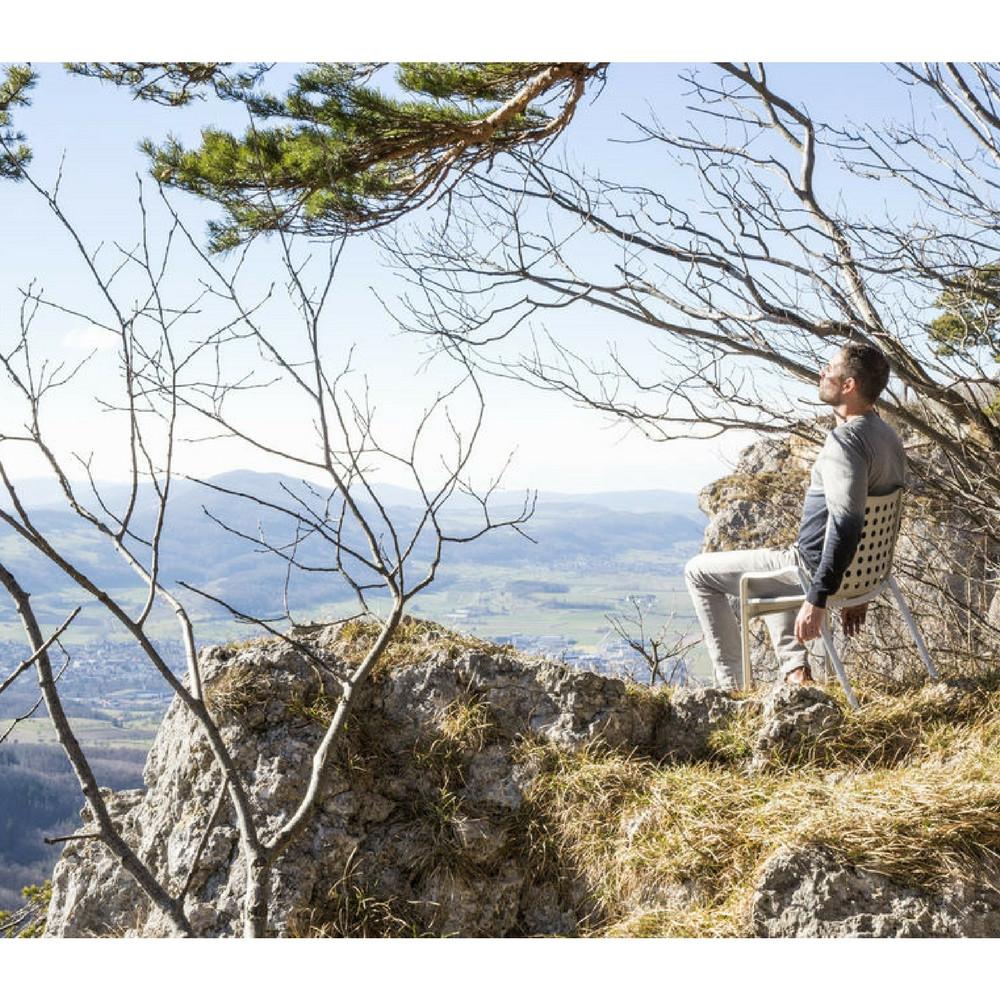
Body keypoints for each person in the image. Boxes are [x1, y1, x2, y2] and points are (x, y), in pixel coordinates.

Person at [684, 343, 906, 690]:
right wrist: (858, 587)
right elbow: (875, 520)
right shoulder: (886, 436)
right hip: (861, 573)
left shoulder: (845, 442)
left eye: (829, 368)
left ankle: (731, 689)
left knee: (698, 572)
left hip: (811, 569)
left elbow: (847, 526)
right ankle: (795, 673)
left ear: (848, 385)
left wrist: (818, 599)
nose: (822, 373)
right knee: (774, 567)